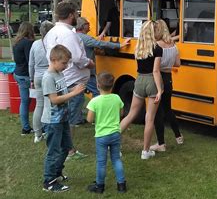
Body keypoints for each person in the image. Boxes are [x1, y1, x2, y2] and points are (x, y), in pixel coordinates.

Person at [44, 1, 94, 160]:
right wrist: (89, 63)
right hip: (72, 80)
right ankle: (68, 150)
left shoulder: (51, 32)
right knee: (70, 118)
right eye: (76, 14)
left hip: (61, 78)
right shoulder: (69, 34)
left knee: (64, 116)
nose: (77, 16)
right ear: (71, 14)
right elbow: (78, 57)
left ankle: (65, 148)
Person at [42, 45, 85, 192]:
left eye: (67, 63)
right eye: (64, 63)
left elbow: (62, 91)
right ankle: (49, 181)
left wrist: (75, 89)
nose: (66, 66)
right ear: (54, 60)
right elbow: (54, 99)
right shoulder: (48, 77)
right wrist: (74, 94)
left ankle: (56, 173)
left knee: (66, 147)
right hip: (52, 121)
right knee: (53, 151)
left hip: (63, 118)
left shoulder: (59, 73)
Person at [120, 20, 164, 160]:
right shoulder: (157, 48)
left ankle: (114, 145)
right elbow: (156, 71)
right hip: (151, 81)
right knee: (149, 118)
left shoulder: (138, 47)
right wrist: (159, 90)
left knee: (131, 114)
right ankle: (145, 151)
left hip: (139, 80)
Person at [86, 72, 126, 193]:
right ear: (112, 85)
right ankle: (121, 185)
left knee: (101, 162)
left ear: (98, 85)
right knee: (116, 159)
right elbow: (121, 114)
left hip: (101, 136)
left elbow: (89, 119)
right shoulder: (117, 98)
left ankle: (100, 186)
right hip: (115, 133)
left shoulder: (95, 101)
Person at [76, 17, 130, 97]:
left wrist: (97, 40)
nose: (90, 26)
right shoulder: (86, 38)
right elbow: (101, 44)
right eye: (88, 24)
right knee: (98, 91)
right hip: (87, 73)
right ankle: (96, 108)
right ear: (83, 26)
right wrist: (119, 45)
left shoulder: (75, 36)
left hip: (78, 72)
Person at [151, 19, 183, 152]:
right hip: (169, 77)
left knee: (158, 112)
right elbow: (178, 63)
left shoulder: (156, 45)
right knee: (168, 109)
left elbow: (155, 67)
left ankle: (161, 143)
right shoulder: (173, 45)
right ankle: (178, 136)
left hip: (158, 77)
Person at [29, 20, 54, 143]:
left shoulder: (35, 44)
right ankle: (49, 131)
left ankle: (37, 134)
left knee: (39, 105)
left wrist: (31, 79)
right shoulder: (53, 44)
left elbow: (31, 64)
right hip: (48, 75)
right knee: (49, 105)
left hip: (37, 76)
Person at [13, 21, 35, 135]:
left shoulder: (16, 42)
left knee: (24, 101)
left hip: (17, 73)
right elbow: (30, 60)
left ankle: (25, 127)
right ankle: (26, 128)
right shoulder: (27, 43)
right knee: (26, 101)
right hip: (25, 75)